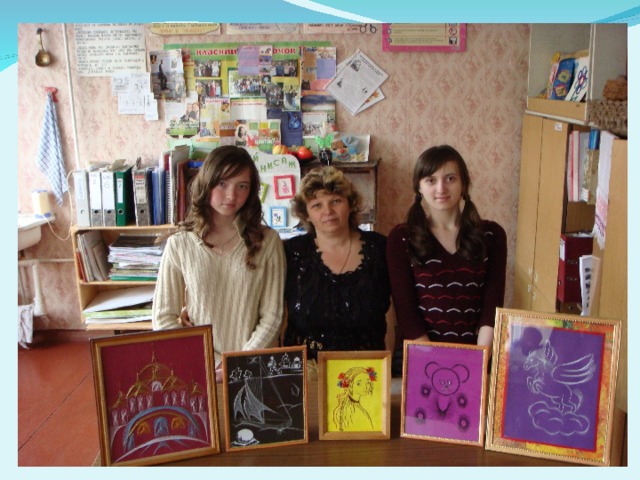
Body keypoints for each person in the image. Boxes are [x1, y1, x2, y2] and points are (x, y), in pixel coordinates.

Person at [152, 145, 286, 379]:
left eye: (242, 186)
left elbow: (272, 316)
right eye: (222, 183)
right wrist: (204, 362)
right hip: (197, 368)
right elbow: (163, 318)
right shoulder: (180, 244)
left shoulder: (268, 242)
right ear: (207, 182)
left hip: (251, 369)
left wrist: (238, 365)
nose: (231, 195)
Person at [387, 145, 506, 352]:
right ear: (419, 187)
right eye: (431, 180)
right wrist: (435, 360)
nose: (441, 188)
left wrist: (477, 359)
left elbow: (492, 308)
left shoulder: (492, 235)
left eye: (450, 178)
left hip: (477, 355)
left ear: (464, 184)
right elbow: (406, 313)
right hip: (422, 355)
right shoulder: (402, 237)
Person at [283, 166, 391, 360]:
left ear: (350, 205)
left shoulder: (381, 248)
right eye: (317, 205)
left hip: (367, 368)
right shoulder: (291, 253)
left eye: (336, 201)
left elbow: (393, 316)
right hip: (306, 368)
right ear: (306, 214)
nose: (328, 211)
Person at [332, 366, 376, 431]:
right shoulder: (353, 410)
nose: (365, 386)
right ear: (350, 385)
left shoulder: (350, 405)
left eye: (367, 382)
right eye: (358, 383)